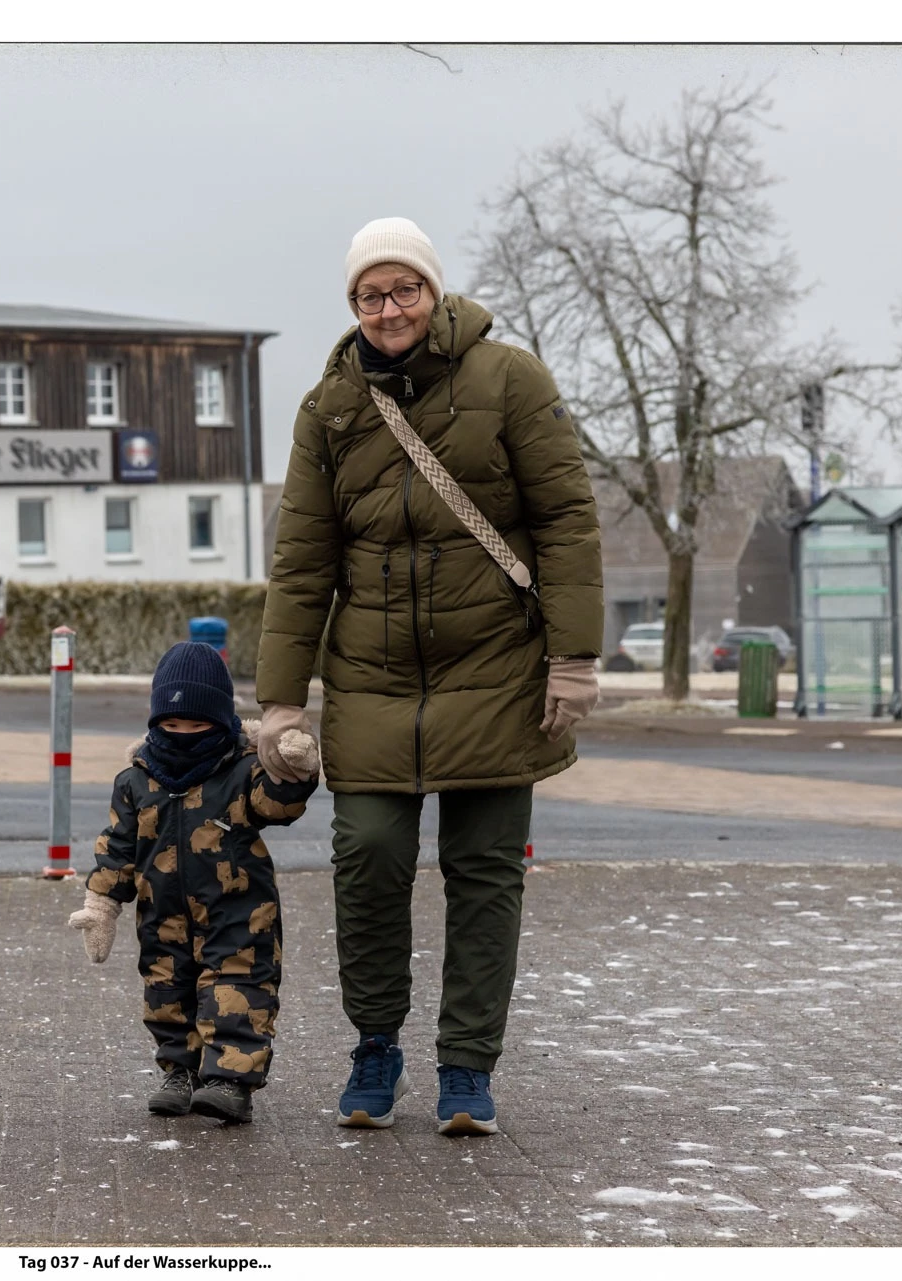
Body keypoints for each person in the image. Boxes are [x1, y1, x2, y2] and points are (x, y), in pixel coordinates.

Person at [255, 217, 602, 1135]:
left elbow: (567, 520)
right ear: (353, 305)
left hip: (497, 667)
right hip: (372, 677)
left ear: (434, 291)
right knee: (367, 857)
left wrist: (572, 656)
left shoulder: (510, 378)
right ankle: (375, 1044)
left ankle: (467, 1066)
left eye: (403, 288)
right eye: (369, 295)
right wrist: (281, 703)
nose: (389, 308)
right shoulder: (330, 407)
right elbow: (301, 563)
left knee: (484, 872)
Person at [69, 641, 320, 1125]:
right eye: (172, 725)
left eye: (197, 726)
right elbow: (118, 847)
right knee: (166, 992)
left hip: (239, 912)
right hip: (162, 915)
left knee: (238, 988)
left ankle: (230, 1080)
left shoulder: (242, 770)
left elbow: (279, 806)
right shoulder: (135, 781)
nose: (184, 735)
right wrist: (101, 904)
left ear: (221, 721)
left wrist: (295, 768)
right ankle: (179, 1072)